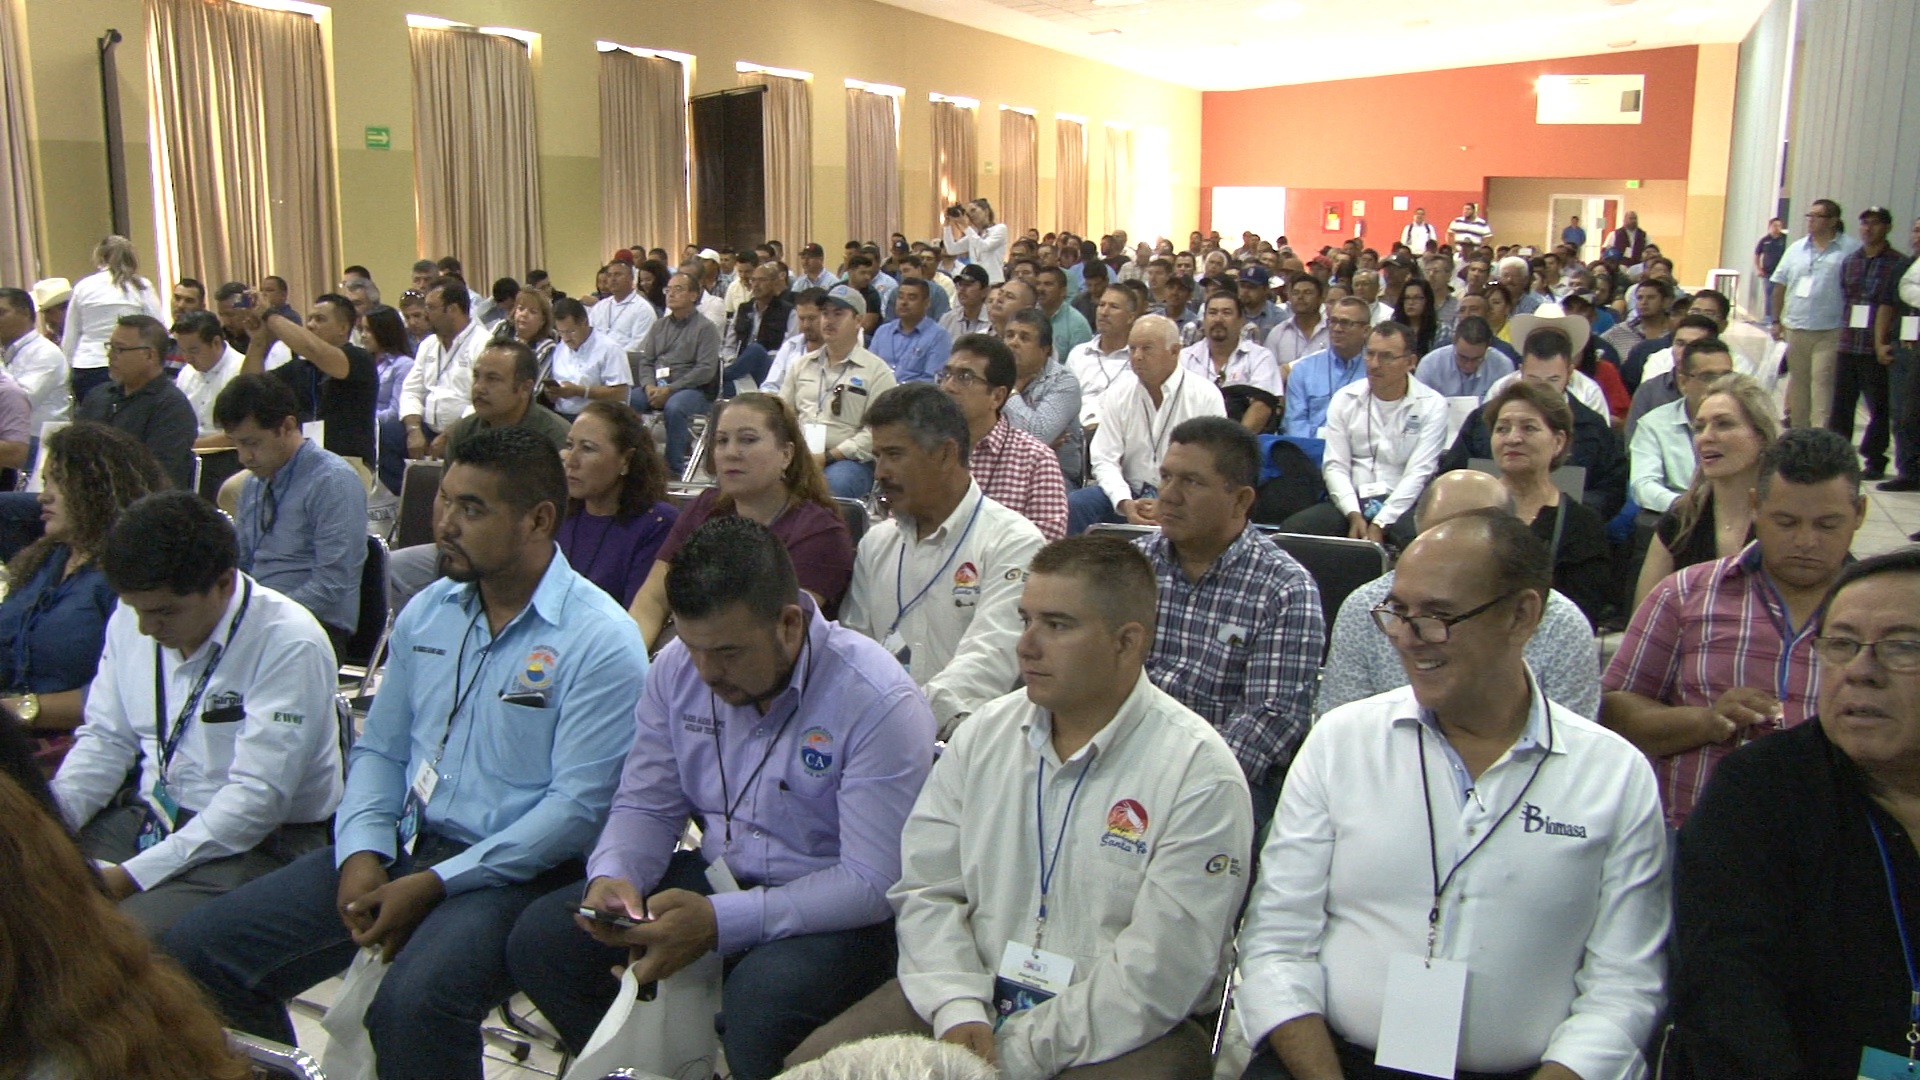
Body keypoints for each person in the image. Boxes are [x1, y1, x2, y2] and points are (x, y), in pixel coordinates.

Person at [162, 427, 649, 1079]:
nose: (444, 523)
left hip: (518, 871)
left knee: (411, 1007)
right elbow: (382, 752)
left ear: (538, 520)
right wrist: (362, 850)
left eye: (472, 509)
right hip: (403, 844)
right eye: (445, 500)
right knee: (196, 955)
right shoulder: (430, 611)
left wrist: (433, 883)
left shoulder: (599, 639)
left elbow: (575, 812)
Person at [789, 536, 1254, 1080]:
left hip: (1125, 1030)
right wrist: (958, 1005)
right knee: (808, 1069)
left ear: (1127, 642)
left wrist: (1017, 1051)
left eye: (1056, 625)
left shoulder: (1200, 775)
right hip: (970, 997)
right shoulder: (982, 735)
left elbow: (1161, 972)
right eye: (1025, 620)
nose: (1026, 646)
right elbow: (927, 888)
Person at [1237, 509, 1668, 1080]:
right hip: (1332, 1061)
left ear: (1522, 616)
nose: (1408, 638)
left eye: (1437, 617)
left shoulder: (1613, 775)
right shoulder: (1341, 742)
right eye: (1398, 612)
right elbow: (1275, 943)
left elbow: (1624, 988)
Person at [509, 517, 934, 1079]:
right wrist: (616, 876)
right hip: (724, 876)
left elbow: (871, 882)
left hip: (839, 912)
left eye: (729, 652)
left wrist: (718, 921)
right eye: (692, 647)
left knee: (762, 1002)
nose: (707, 672)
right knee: (545, 941)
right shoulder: (676, 672)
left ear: (789, 624)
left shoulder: (876, 700)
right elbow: (647, 803)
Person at [1670, 548, 1920, 1078]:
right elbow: (1727, 994)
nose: (1860, 672)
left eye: (1902, 647)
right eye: (1841, 645)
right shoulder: (1760, 790)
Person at [49, 491, 341, 935]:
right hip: (152, 815)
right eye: (137, 610)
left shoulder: (288, 642)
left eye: (164, 612)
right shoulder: (135, 617)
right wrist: (51, 822)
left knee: (116, 939)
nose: (147, 628)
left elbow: (256, 802)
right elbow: (106, 741)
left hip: (260, 842)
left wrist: (131, 876)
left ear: (223, 583)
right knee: (25, 894)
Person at [1602, 427, 1866, 828]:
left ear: (1859, 513)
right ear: (1755, 506)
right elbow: (1612, 712)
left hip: (1839, 844)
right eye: (1786, 522)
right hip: (1693, 838)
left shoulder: (1890, 616)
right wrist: (1707, 722)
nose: (1806, 541)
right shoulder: (1685, 595)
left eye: (1827, 525)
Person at [1134, 417, 1322, 832]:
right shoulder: (1132, 567)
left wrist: (1178, 781)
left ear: (1240, 500)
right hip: (1122, 760)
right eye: (1166, 477)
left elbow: (1271, 719)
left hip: (1221, 779)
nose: (1168, 495)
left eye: (1191, 482)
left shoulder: (1284, 588)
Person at [0, 771, 252, 1080]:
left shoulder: (64, 1058)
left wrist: (131, 875)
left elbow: (254, 800)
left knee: (165, 932)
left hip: (233, 846)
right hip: (141, 816)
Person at [842, 384, 1045, 738]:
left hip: (971, 742)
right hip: (878, 736)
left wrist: (901, 720)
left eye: (894, 454)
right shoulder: (876, 544)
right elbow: (855, 651)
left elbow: (989, 660)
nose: (880, 473)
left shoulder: (1014, 543)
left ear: (946, 454)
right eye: (877, 456)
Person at [1319, 469, 1601, 720]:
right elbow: (1342, 728)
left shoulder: (1562, 624)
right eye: (1438, 537)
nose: (1407, 637)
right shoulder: (1365, 607)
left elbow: (1570, 742)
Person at [628, 393, 853, 649]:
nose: (730, 453)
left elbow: (772, 639)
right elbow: (653, 600)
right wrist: (631, 662)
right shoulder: (705, 507)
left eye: (748, 439)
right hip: (683, 651)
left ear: (786, 454)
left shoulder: (819, 533)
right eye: (722, 441)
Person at [0, 425, 166, 770]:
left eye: (58, 483)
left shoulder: (125, 576)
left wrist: (19, 710)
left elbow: (130, 694)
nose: (43, 497)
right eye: (44, 482)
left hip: (77, 748)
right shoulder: (44, 559)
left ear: (98, 489)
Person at [1284, 322, 1446, 548]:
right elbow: (1335, 465)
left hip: (1404, 503)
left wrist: (1381, 522)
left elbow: (1419, 472)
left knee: (1418, 543)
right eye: (1370, 354)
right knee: (1295, 530)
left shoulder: (1432, 405)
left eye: (1387, 357)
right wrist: (1353, 514)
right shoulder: (1345, 398)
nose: (1375, 364)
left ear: (1410, 362)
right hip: (1352, 499)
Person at [1441, 325, 1629, 519]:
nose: (1542, 388)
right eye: (1533, 378)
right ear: (1521, 371)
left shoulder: (1592, 426)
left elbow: (1611, 488)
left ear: (1570, 373)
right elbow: (1453, 473)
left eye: (1553, 379)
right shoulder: (1485, 419)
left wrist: (1575, 513)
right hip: (1486, 520)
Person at [1069, 315, 1227, 534]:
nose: (1137, 357)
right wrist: (1124, 502)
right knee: (1079, 503)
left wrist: (1168, 499)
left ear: (1175, 351)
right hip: (1131, 494)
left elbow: (1210, 465)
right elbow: (1104, 458)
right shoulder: (1118, 394)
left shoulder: (1205, 395)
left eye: (1147, 349)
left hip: (1184, 495)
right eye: (1132, 349)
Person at [1633, 373, 1774, 613]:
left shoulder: (1784, 521)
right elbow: (1644, 619)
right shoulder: (1679, 523)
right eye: (1699, 427)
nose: (1706, 437)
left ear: (1761, 436)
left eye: (1724, 424)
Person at [1480, 380, 1614, 628]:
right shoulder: (1467, 509)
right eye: (1502, 429)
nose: (1513, 438)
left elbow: (1582, 616)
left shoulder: (1582, 525)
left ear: (1558, 442)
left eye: (1529, 428)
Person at [940, 334, 1069, 540]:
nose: (948, 386)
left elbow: (1045, 546)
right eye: (946, 375)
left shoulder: (1036, 461)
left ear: (997, 396)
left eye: (965, 377)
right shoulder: (925, 449)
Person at [236, 291, 381, 471]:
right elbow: (248, 389)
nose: (311, 325)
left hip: (348, 464)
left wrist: (268, 314)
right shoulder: (300, 368)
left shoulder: (359, 358)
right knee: (234, 485)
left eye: (320, 319)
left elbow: (312, 349)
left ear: (343, 328)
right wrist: (258, 341)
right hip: (302, 463)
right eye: (310, 319)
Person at [779, 284, 899, 500]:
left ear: (858, 320)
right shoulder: (802, 365)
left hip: (849, 460)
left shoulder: (876, 371)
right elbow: (782, 415)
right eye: (825, 314)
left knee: (832, 486)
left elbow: (877, 432)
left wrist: (829, 456)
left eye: (838, 314)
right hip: (799, 453)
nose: (829, 320)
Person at [555, 401, 676, 607]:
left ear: (626, 459)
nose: (571, 461)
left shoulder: (658, 523)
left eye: (587, 448)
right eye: (569, 445)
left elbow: (639, 612)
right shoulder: (558, 514)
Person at [389, 278, 488, 494]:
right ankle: (402, 497)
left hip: (466, 430)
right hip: (426, 428)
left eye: (431, 308)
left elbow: (481, 401)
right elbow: (412, 389)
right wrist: (413, 430)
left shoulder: (483, 344)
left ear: (453, 309)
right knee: (386, 429)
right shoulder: (428, 344)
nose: (425, 315)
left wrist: (450, 435)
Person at [1771, 198, 1863, 430]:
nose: (1811, 220)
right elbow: (1780, 285)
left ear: (1833, 221)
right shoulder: (1796, 249)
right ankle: (1800, 431)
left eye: (1817, 216)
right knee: (1799, 383)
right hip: (1796, 326)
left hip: (1831, 329)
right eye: (1809, 215)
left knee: (1822, 382)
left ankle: (1819, 433)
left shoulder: (1850, 249)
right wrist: (1776, 320)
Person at [79, 314, 198, 491]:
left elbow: (159, 477)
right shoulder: (98, 396)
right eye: (110, 347)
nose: (110, 355)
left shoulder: (171, 407)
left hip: (137, 499)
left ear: (150, 355)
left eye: (119, 349)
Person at [1830, 206, 1906, 479]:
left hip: (1876, 347)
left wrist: (1885, 341)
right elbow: (1845, 295)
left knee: (1878, 408)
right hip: (1849, 343)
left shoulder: (1898, 263)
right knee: (1841, 406)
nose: (1868, 229)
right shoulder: (1851, 260)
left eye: (1875, 223)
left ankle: (1875, 459)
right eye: (1864, 223)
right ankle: (1837, 458)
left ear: (1887, 228)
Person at [1629, 336, 1738, 516]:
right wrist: (1687, 505)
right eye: (1708, 377)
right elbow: (1643, 485)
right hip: (1680, 515)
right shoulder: (1654, 424)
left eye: (1726, 377)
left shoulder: (1746, 423)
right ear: (1683, 382)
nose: (1720, 385)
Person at [630, 272, 723, 476]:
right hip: (657, 385)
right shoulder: (659, 326)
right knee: (628, 399)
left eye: (678, 289)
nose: (671, 294)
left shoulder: (706, 328)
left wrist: (671, 389)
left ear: (694, 295)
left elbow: (705, 370)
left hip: (693, 389)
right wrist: (648, 386)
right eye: (668, 289)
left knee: (675, 407)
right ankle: (634, 462)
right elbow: (646, 361)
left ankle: (673, 469)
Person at [61, 236, 167, 404]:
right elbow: (157, 327)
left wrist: (66, 372)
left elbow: (71, 335)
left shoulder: (84, 286)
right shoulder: (141, 286)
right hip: (130, 364)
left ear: (100, 257)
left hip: (88, 364)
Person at [1001, 307, 1086, 483]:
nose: (1013, 343)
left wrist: (1011, 392)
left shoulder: (1063, 382)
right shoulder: (991, 375)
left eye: (1024, 338)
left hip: (1052, 474)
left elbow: (1037, 435)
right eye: (1009, 335)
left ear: (1045, 349)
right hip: (999, 467)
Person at [1182, 290, 1283, 433]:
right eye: (1212, 313)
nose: (1218, 319)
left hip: (1242, 441)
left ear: (1241, 321)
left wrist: (1232, 443)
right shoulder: (1185, 358)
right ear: (1203, 320)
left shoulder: (1260, 357)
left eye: (1226, 313)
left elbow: (1262, 407)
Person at [1281, 296, 1371, 438]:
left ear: (1366, 331)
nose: (1337, 329)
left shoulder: (1375, 371)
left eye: (1346, 323)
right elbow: (1295, 424)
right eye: (1333, 321)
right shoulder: (1303, 369)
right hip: (1311, 448)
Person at [542, 295, 631, 416]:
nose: (566, 338)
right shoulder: (559, 348)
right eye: (561, 332)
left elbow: (620, 393)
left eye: (571, 331)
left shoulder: (609, 348)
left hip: (597, 417)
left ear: (585, 322)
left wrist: (580, 392)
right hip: (560, 414)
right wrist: (553, 393)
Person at [0, 285, 71, 437]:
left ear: (25, 313)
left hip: (38, 440)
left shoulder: (45, 352)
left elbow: (17, 403)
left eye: (1, 313)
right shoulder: (8, 353)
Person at [1067, 284, 1137, 428]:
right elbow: (1064, 400)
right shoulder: (1079, 354)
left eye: (1114, 307)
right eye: (1101, 305)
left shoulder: (1139, 358)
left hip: (1122, 429)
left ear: (1130, 317)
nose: (1104, 312)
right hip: (1077, 431)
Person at [171, 310, 243, 442]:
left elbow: (242, 432)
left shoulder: (242, 370)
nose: (187, 358)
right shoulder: (186, 373)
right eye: (182, 350)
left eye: (193, 351)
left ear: (216, 343)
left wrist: (190, 446)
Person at [870, 278, 953, 385]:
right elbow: (870, 368)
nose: (904, 303)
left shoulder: (939, 336)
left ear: (926, 303)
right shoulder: (882, 332)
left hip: (915, 394)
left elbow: (933, 380)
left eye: (911, 298)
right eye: (900, 297)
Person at [1414, 314, 1511, 399]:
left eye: (1477, 359)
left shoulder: (1503, 366)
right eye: (1462, 357)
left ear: (1488, 346)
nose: (1468, 365)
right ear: (1454, 341)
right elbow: (1420, 404)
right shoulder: (1430, 365)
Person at [1263, 273, 1330, 376]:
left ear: (1321, 298)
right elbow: (1268, 373)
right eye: (1295, 293)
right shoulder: (1278, 333)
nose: (1300, 297)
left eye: (1308, 292)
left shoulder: (1333, 331)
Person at [586, 257, 657, 352]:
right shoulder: (600, 307)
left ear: (631, 278)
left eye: (617, 274)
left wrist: (612, 357)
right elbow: (588, 336)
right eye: (609, 275)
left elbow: (638, 346)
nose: (612, 279)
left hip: (625, 359)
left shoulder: (643, 309)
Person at [942, 198, 1008, 284]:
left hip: (994, 281)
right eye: (968, 213)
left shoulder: (999, 228)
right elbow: (952, 250)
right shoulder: (974, 234)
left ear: (986, 211)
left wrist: (965, 226)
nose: (971, 215)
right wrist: (947, 226)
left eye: (973, 210)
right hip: (976, 282)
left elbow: (984, 247)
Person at [1753, 216, 1788, 324]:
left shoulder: (1785, 239)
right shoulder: (1765, 240)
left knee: (1780, 295)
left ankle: (1778, 317)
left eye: (1779, 226)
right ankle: (1768, 317)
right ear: (1770, 227)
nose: (1777, 228)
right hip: (1768, 273)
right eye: (1774, 226)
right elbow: (1757, 255)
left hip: (1782, 273)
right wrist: (1759, 269)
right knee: (1769, 295)